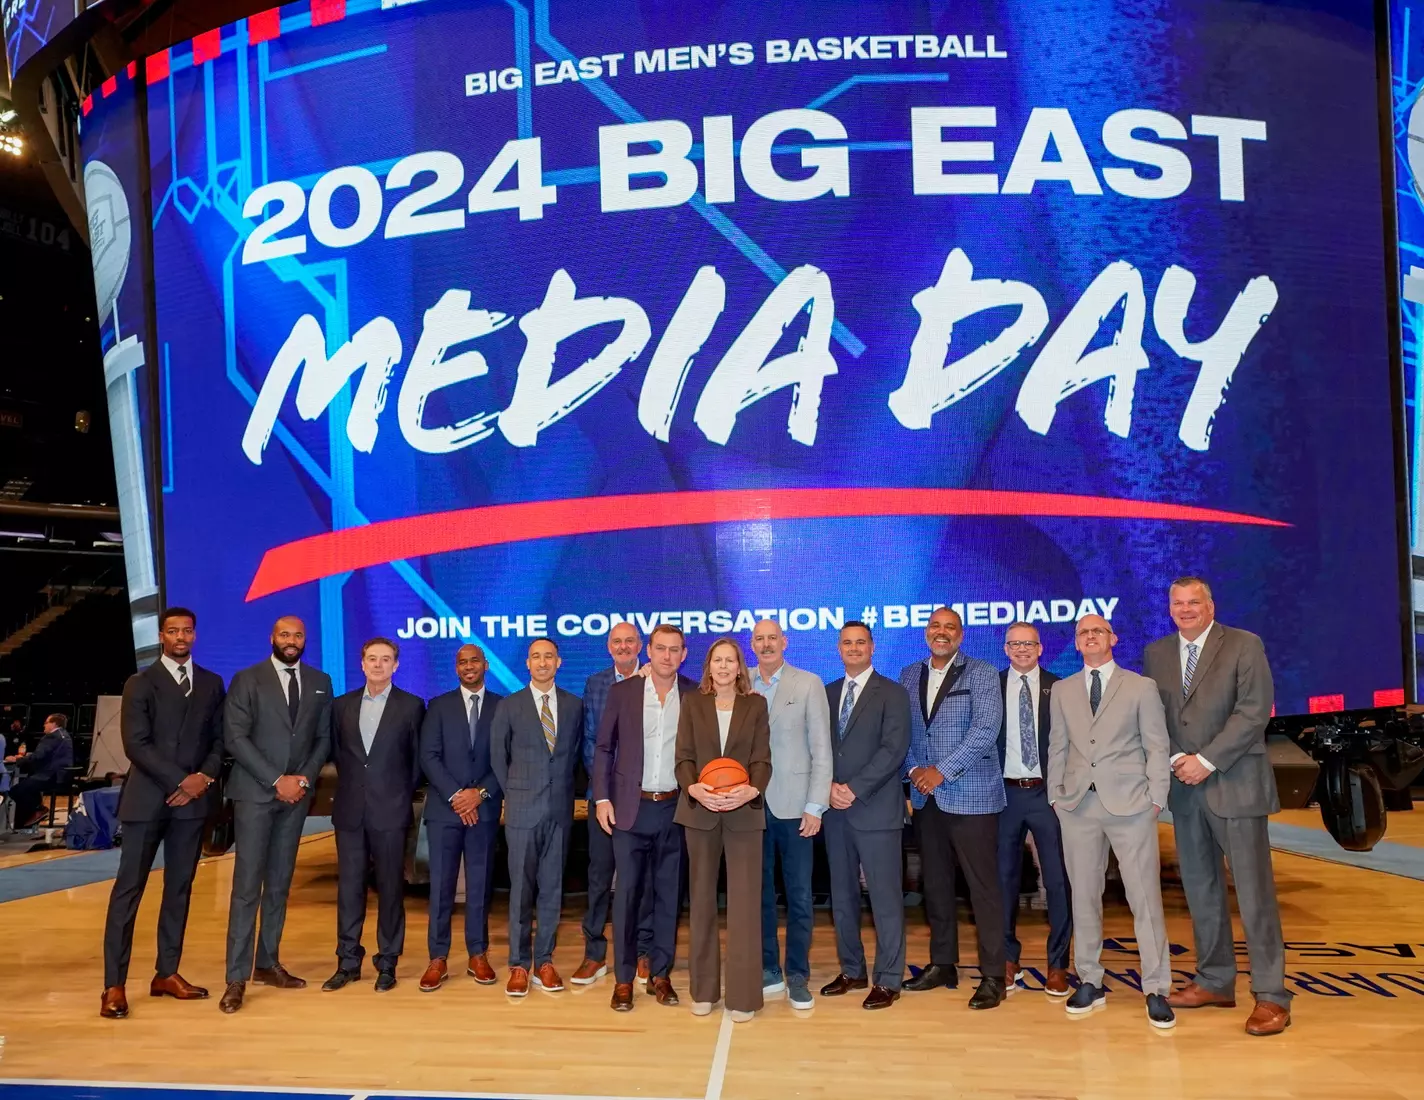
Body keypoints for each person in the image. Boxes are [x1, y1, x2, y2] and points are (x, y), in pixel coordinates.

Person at [1143, 577, 1289, 1036]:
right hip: (1185, 792)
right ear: (1169, 608)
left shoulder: (1244, 645)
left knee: (1254, 896)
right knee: (1201, 892)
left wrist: (1205, 760)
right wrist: (1173, 761)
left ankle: (1271, 996)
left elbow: (1254, 711)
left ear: (1210, 605)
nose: (1186, 610)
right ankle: (1214, 980)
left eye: (1194, 602)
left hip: (1235, 784)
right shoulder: (1156, 654)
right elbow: (1153, 718)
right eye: (1178, 603)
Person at [1047, 614, 1174, 1029]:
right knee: (1083, 897)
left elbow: (1157, 745)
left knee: (1144, 899)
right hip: (1078, 807)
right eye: (1083, 632)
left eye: (1097, 631)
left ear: (1113, 638)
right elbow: (1058, 746)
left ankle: (1156, 988)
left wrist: (1157, 797)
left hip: (1132, 806)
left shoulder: (1140, 686)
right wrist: (1056, 795)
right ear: (1077, 642)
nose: (1089, 637)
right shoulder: (1063, 690)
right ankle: (1090, 980)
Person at [99, 608, 225, 1019]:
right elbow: (136, 744)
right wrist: (180, 782)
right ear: (161, 635)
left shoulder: (210, 683)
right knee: (128, 891)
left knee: (179, 890)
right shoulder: (140, 683)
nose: (180, 637)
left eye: (187, 630)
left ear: (196, 634)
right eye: (173, 631)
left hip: (191, 806)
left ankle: (166, 973)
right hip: (147, 801)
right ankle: (113, 985)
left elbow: (219, 741)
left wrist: (202, 778)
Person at [219, 615, 333, 1014]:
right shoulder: (247, 679)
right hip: (256, 795)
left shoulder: (321, 681)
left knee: (280, 884)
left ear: (305, 640)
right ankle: (236, 976)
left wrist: (302, 779)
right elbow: (234, 737)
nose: (291, 640)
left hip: (295, 798)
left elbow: (323, 739)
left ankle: (267, 963)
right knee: (247, 886)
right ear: (272, 638)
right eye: (285, 634)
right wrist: (275, 780)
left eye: (298, 635)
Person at [900, 606, 1007, 1010]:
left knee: (983, 889)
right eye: (935, 626)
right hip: (926, 798)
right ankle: (943, 963)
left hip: (972, 797)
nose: (941, 633)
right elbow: (904, 731)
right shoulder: (910, 674)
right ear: (926, 632)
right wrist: (914, 769)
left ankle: (994, 974)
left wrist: (941, 771)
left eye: (950, 627)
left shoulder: (980, 672)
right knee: (936, 887)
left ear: (960, 635)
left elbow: (985, 730)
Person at [593, 624, 698, 1011]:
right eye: (660, 649)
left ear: (683, 654)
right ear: (648, 651)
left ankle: (661, 974)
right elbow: (604, 748)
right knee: (628, 897)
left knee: (669, 896)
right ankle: (622, 980)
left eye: (674, 650)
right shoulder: (624, 692)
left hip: (676, 808)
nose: (667, 656)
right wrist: (602, 798)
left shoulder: (693, 694)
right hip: (629, 809)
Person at [675, 637, 771, 1022]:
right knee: (700, 902)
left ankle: (744, 996)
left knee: (745, 905)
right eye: (718, 660)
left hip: (743, 812)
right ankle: (703, 990)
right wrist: (694, 788)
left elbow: (762, 759)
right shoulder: (693, 703)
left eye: (731, 660)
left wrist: (751, 790)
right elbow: (683, 757)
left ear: (740, 667)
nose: (724, 666)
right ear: (708, 666)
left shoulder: (756, 705)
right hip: (700, 811)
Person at [322, 638, 426, 993]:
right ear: (362, 664)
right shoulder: (340, 706)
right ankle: (348, 962)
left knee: (390, 889)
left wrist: (395, 794)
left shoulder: (412, 707)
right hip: (350, 811)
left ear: (396, 665)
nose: (378, 665)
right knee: (349, 890)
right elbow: (337, 754)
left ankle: (388, 962)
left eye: (385, 659)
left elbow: (415, 763)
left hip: (391, 811)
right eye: (372, 659)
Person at [820, 621, 912, 1010]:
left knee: (885, 899)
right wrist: (826, 788)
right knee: (842, 898)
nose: (854, 648)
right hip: (834, 813)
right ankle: (853, 971)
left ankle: (889, 979)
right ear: (838, 648)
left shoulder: (892, 692)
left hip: (875, 810)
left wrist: (853, 789)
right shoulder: (825, 693)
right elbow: (816, 747)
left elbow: (894, 750)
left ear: (872, 647)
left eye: (861, 642)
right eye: (847, 643)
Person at [490, 637, 583, 996]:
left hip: (559, 812)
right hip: (522, 811)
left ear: (559, 662)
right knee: (520, 892)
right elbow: (498, 758)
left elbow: (575, 756)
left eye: (548, 656)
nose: (542, 662)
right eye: (535, 657)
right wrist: (515, 792)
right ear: (526, 664)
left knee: (552, 890)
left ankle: (544, 960)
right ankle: (518, 964)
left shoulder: (574, 706)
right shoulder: (509, 706)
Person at [749, 618, 831, 1011]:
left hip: (796, 806)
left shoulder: (808, 683)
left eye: (772, 638)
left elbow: (822, 749)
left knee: (799, 896)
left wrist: (815, 805)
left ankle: (797, 973)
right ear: (752, 645)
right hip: (749, 807)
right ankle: (768, 969)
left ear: (785, 642)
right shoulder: (740, 680)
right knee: (759, 895)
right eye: (759, 639)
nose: (766, 645)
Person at [418, 643, 504, 991]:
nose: (469, 666)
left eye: (475, 661)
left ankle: (477, 954)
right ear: (456, 669)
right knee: (441, 887)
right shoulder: (437, 706)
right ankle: (437, 957)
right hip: (445, 810)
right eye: (462, 662)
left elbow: (506, 759)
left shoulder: (504, 706)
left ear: (485, 664)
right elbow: (429, 756)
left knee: (480, 887)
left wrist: (478, 795)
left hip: (482, 811)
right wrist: (457, 796)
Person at [575, 621, 654, 985]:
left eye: (629, 641)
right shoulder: (595, 684)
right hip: (604, 799)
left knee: (643, 878)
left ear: (641, 645)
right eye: (616, 642)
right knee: (599, 876)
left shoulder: (657, 680)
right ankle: (594, 954)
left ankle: (643, 951)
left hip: (644, 799)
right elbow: (591, 742)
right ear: (609, 647)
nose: (623, 647)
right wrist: (606, 786)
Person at [996, 622, 1071, 997]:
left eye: (1029, 643)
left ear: (1040, 648)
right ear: (1005, 648)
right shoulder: (989, 686)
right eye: (1014, 644)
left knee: (1057, 882)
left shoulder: (1060, 688)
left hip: (1047, 794)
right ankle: (1008, 960)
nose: (1022, 649)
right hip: (1003, 796)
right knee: (1003, 882)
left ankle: (1058, 965)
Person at [6, 712, 74, 828]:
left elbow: (38, 756)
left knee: (15, 790)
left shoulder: (51, 736)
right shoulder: (64, 735)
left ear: (54, 724)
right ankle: (36, 810)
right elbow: (46, 754)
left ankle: (38, 810)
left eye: (46, 723)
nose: (44, 725)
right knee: (30, 785)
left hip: (50, 776)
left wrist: (19, 759)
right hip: (62, 776)